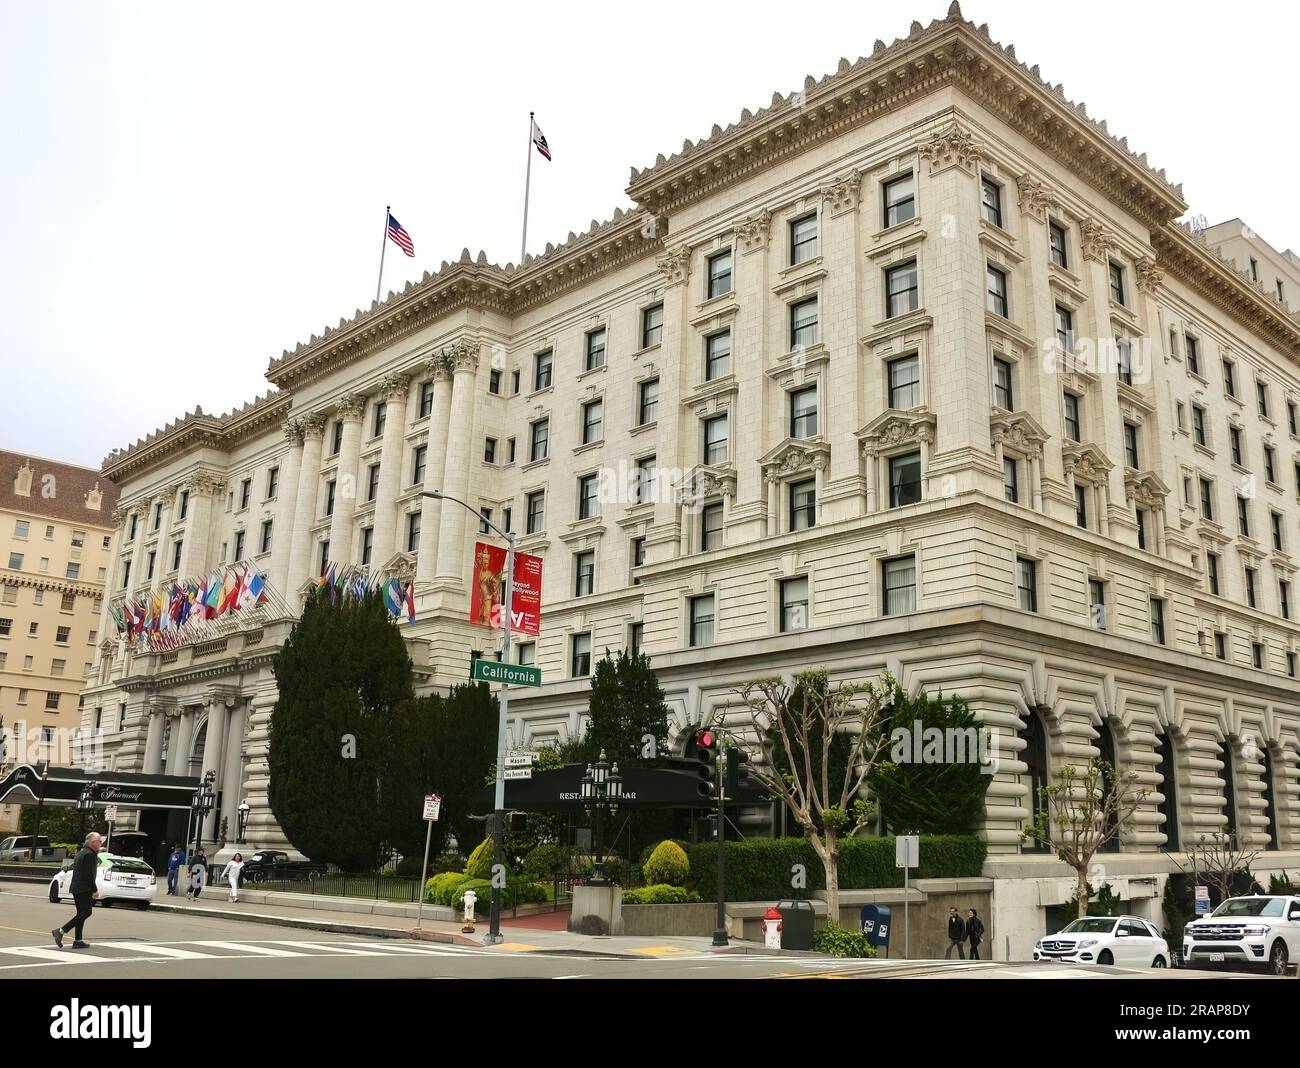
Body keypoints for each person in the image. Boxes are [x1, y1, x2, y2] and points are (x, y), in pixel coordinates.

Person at [52, 832, 102, 949]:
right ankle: (60, 931)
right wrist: (94, 890)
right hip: (83, 888)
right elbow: (88, 875)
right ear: (93, 842)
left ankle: (78, 940)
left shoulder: (82, 852)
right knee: (86, 912)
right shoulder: (89, 855)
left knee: (81, 914)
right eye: (99, 841)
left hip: (77, 887)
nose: (101, 843)